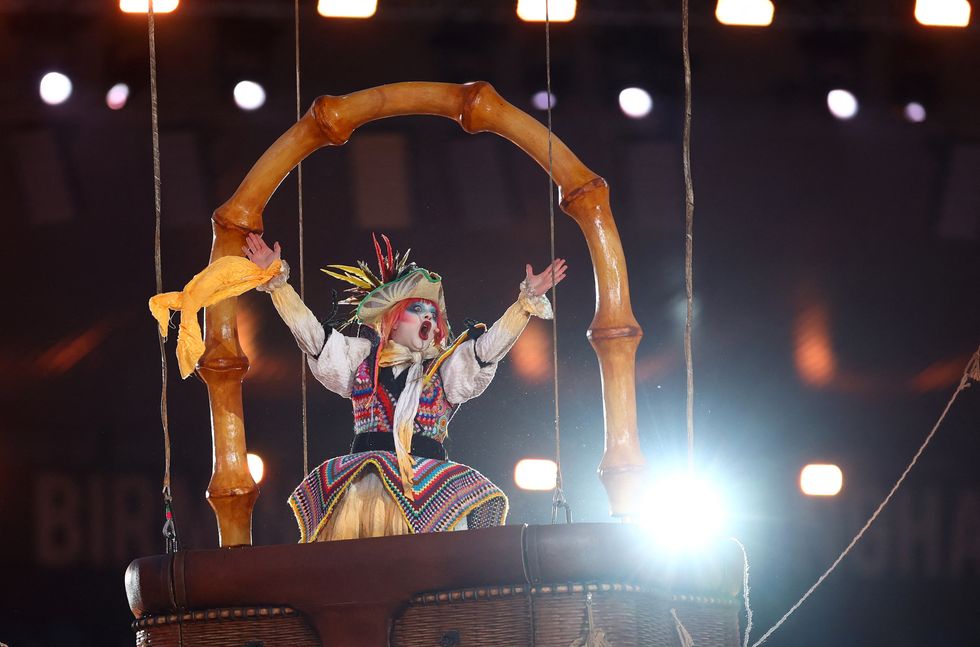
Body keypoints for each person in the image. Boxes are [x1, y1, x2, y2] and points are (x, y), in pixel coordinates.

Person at [244, 232, 567, 542]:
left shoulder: (445, 368)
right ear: (394, 319)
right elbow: (312, 336)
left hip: (429, 483)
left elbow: (489, 348)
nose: (428, 315)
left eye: (432, 312)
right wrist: (278, 287)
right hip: (365, 482)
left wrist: (525, 303)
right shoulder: (361, 359)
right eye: (417, 309)